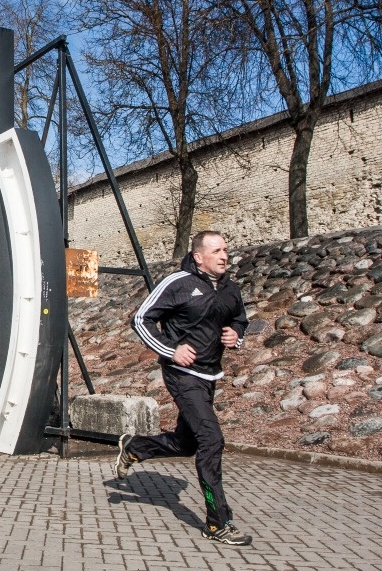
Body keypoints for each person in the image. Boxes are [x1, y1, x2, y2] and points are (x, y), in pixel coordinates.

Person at [117, 230, 252, 546]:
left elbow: (239, 320)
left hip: (210, 375)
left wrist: (236, 335)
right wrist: (170, 350)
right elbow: (141, 319)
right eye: (216, 251)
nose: (224, 256)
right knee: (211, 440)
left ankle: (136, 448)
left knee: (187, 443)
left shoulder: (230, 288)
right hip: (182, 374)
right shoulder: (178, 283)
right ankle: (217, 522)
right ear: (198, 257)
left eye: (225, 250)